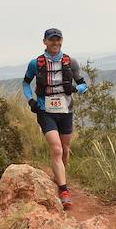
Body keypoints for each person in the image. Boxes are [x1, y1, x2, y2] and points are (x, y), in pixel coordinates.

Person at [22, 27, 88, 209]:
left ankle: (59, 178)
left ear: (62, 41)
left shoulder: (70, 62)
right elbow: (26, 83)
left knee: (66, 150)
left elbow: (83, 84)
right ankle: (64, 190)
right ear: (44, 41)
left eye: (58, 39)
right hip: (45, 111)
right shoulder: (35, 63)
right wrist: (31, 101)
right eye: (51, 39)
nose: (55, 43)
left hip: (66, 111)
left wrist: (77, 89)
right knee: (57, 149)